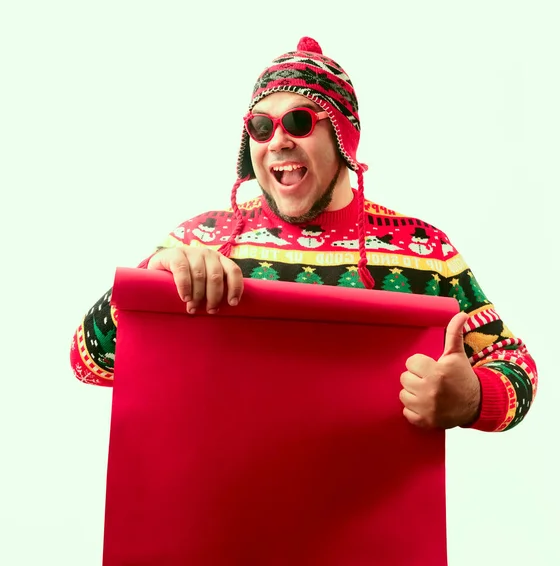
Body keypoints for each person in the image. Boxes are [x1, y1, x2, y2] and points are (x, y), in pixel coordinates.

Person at [70, 36, 537, 432]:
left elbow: (516, 365)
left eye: (299, 120)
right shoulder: (200, 243)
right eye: (260, 126)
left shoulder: (423, 250)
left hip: (372, 531)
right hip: (213, 528)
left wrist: (473, 398)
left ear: (342, 137)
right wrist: (149, 281)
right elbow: (89, 363)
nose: (278, 139)